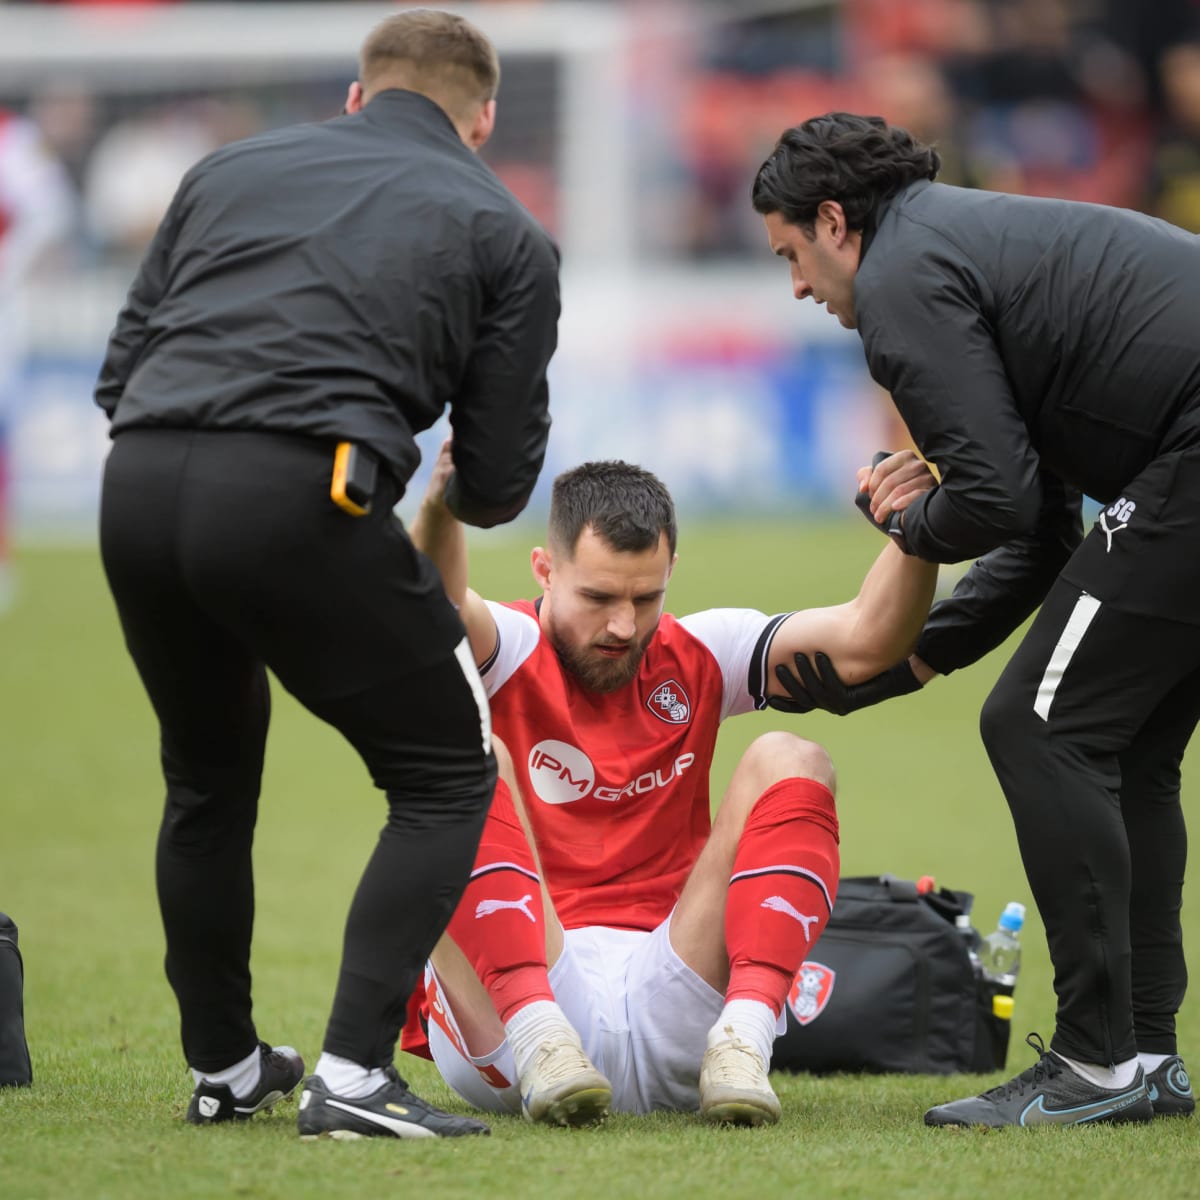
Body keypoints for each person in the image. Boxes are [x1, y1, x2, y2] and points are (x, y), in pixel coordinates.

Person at [94, 9, 560, 1140]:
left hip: (138, 485)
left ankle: (226, 1068)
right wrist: (437, 486)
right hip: (302, 492)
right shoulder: (506, 228)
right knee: (451, 771)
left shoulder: (225, 167)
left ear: (358, 95)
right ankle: (352, 1078)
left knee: (205, 782)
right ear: (482, 118)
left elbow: (122, 372)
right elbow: (497, 486)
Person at [750, 111, 1200, 1127]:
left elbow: (988, 499)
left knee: (1038, 725)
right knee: (1118, 749)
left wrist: (905, 521)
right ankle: (1146, 1061)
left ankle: (1095, 1066)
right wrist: (912, 663)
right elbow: (1039, 529)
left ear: (834, 220)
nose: (796, 287)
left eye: (791, 255)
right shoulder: (946, 241)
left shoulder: (903, 279)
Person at [401, 441, 938, 1126]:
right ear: (544, 570)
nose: (622, 625)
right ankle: (541, 1034)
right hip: (512, 1022)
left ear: (671, 572)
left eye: (645, 596)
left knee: (792, 757)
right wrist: (440, 511)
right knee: (454, 748)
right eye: (597, 597)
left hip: (676, 999)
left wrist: (921, 532)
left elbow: (868, 641)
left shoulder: (700, 652)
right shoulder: (505, 645)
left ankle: (744, 1039)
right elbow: (428, 618)